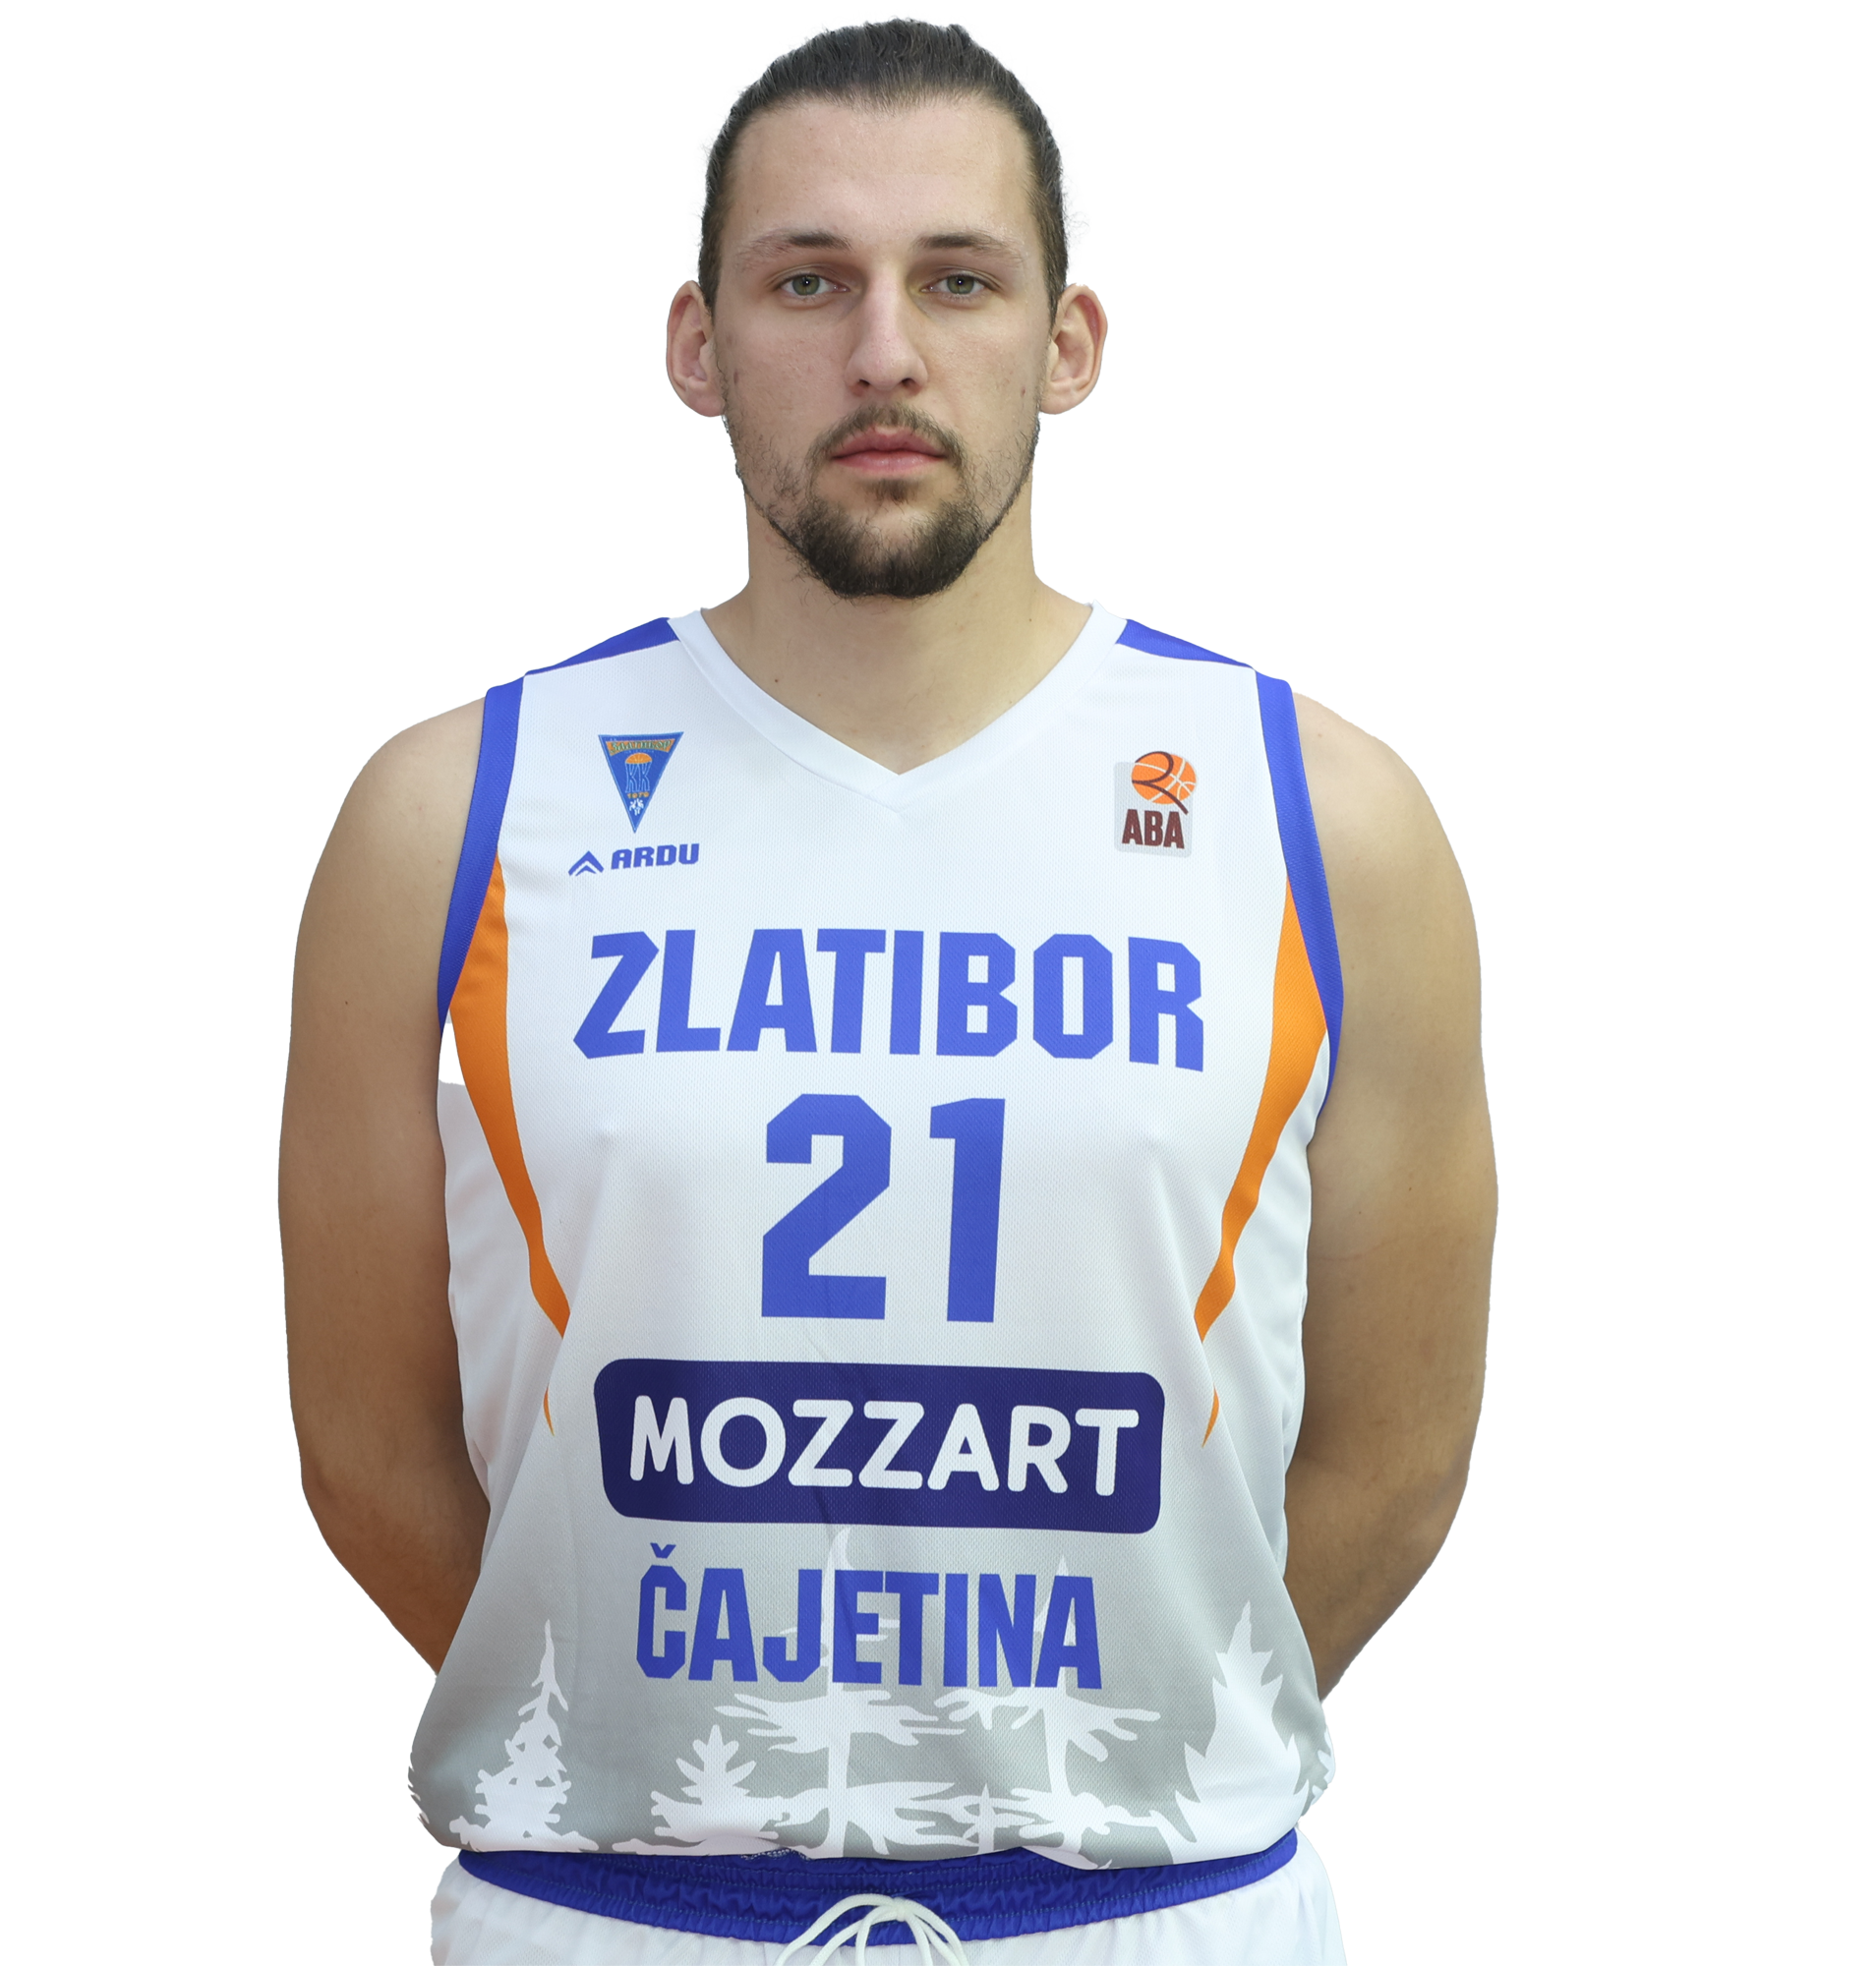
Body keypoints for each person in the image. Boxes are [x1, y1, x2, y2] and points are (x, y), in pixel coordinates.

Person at [280, 19, 1494, 1964]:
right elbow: (367, 1451)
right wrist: (677, 1762)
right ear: (698, 345)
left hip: (1152, 1908)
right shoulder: (454, 818)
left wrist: (1112, 1763)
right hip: (608, 1909)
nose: (884, 353)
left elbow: (1396, 1458)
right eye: (806, 281)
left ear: (1066, 342)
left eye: (957, 280)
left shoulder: (1318, 819)